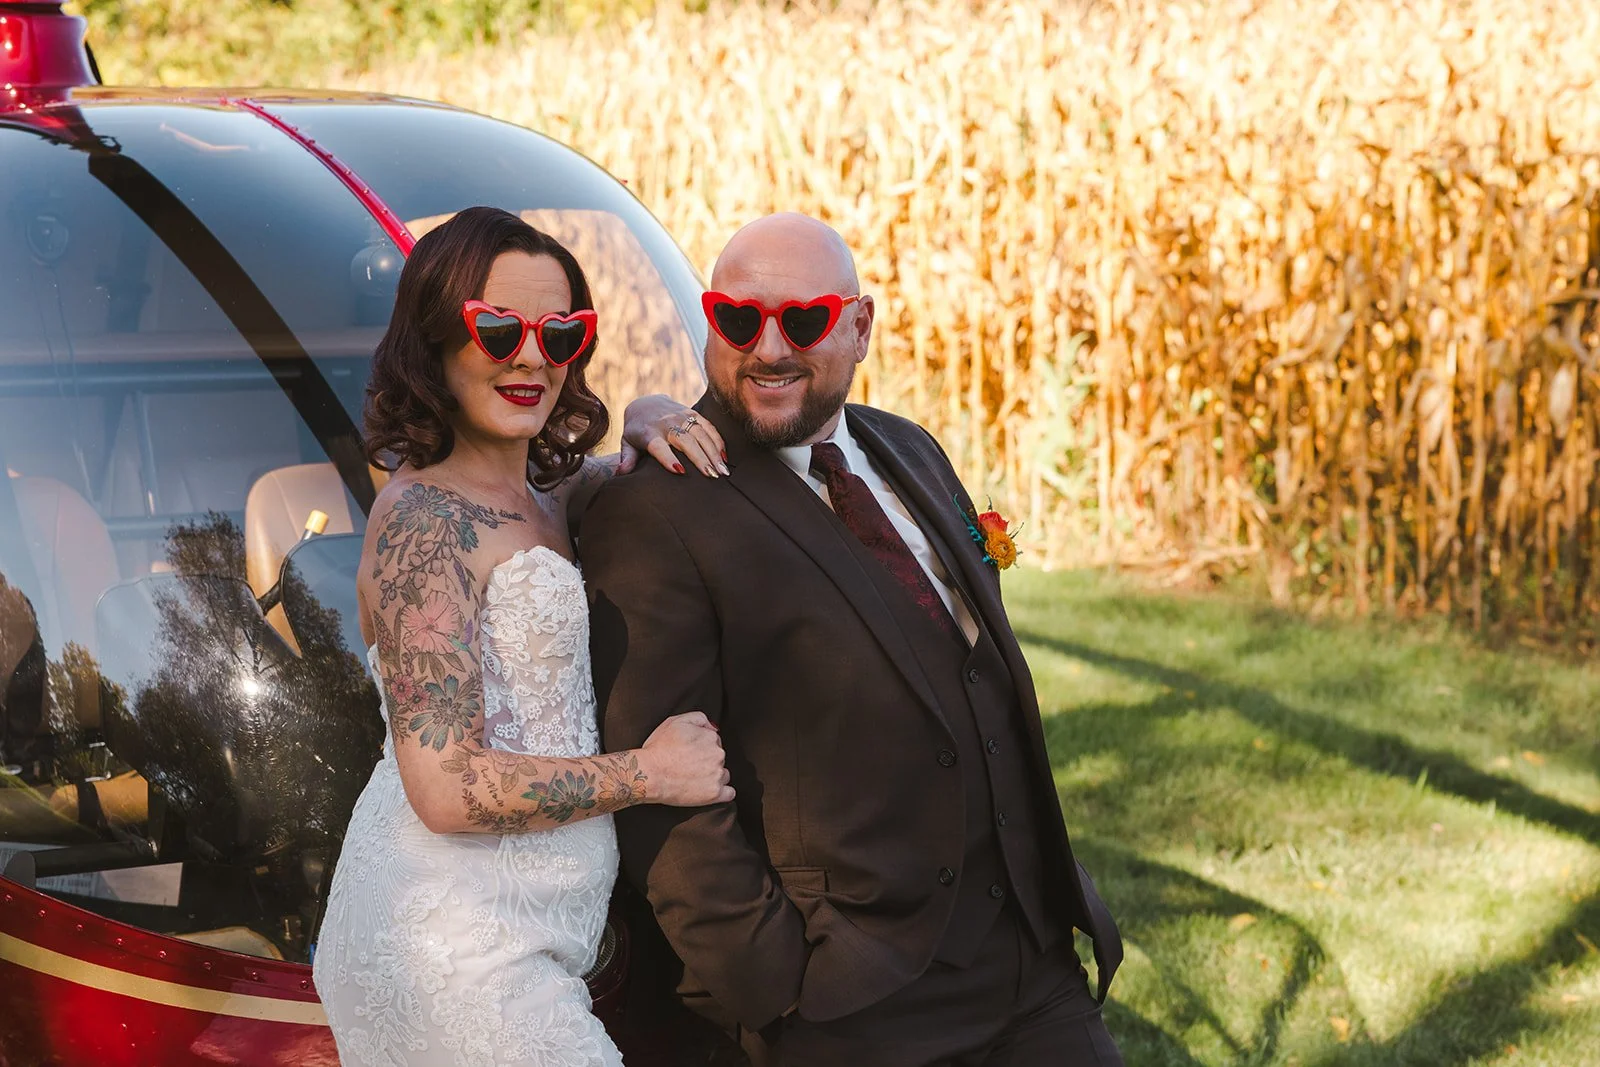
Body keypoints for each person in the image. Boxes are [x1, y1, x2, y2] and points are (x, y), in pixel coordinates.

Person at [584, 213, 1125, 1066]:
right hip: (854, 1002)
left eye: (802, 321)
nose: (768, 349)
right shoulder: (656, 510)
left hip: (1031, 963)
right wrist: (779, 994)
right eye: (737, 319)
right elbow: (661, 797)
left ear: (861, 325)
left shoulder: (907, 447)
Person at [312, 206, 734, 1067]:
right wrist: (648, 774)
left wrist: (650, 413)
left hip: (529, 940)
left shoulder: (542, 494)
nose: (533, 356)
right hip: (447, 947)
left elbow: (603, 473)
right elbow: (446, 786)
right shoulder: (425, 525)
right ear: (435, 338)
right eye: (498, 328)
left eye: (562, 331)